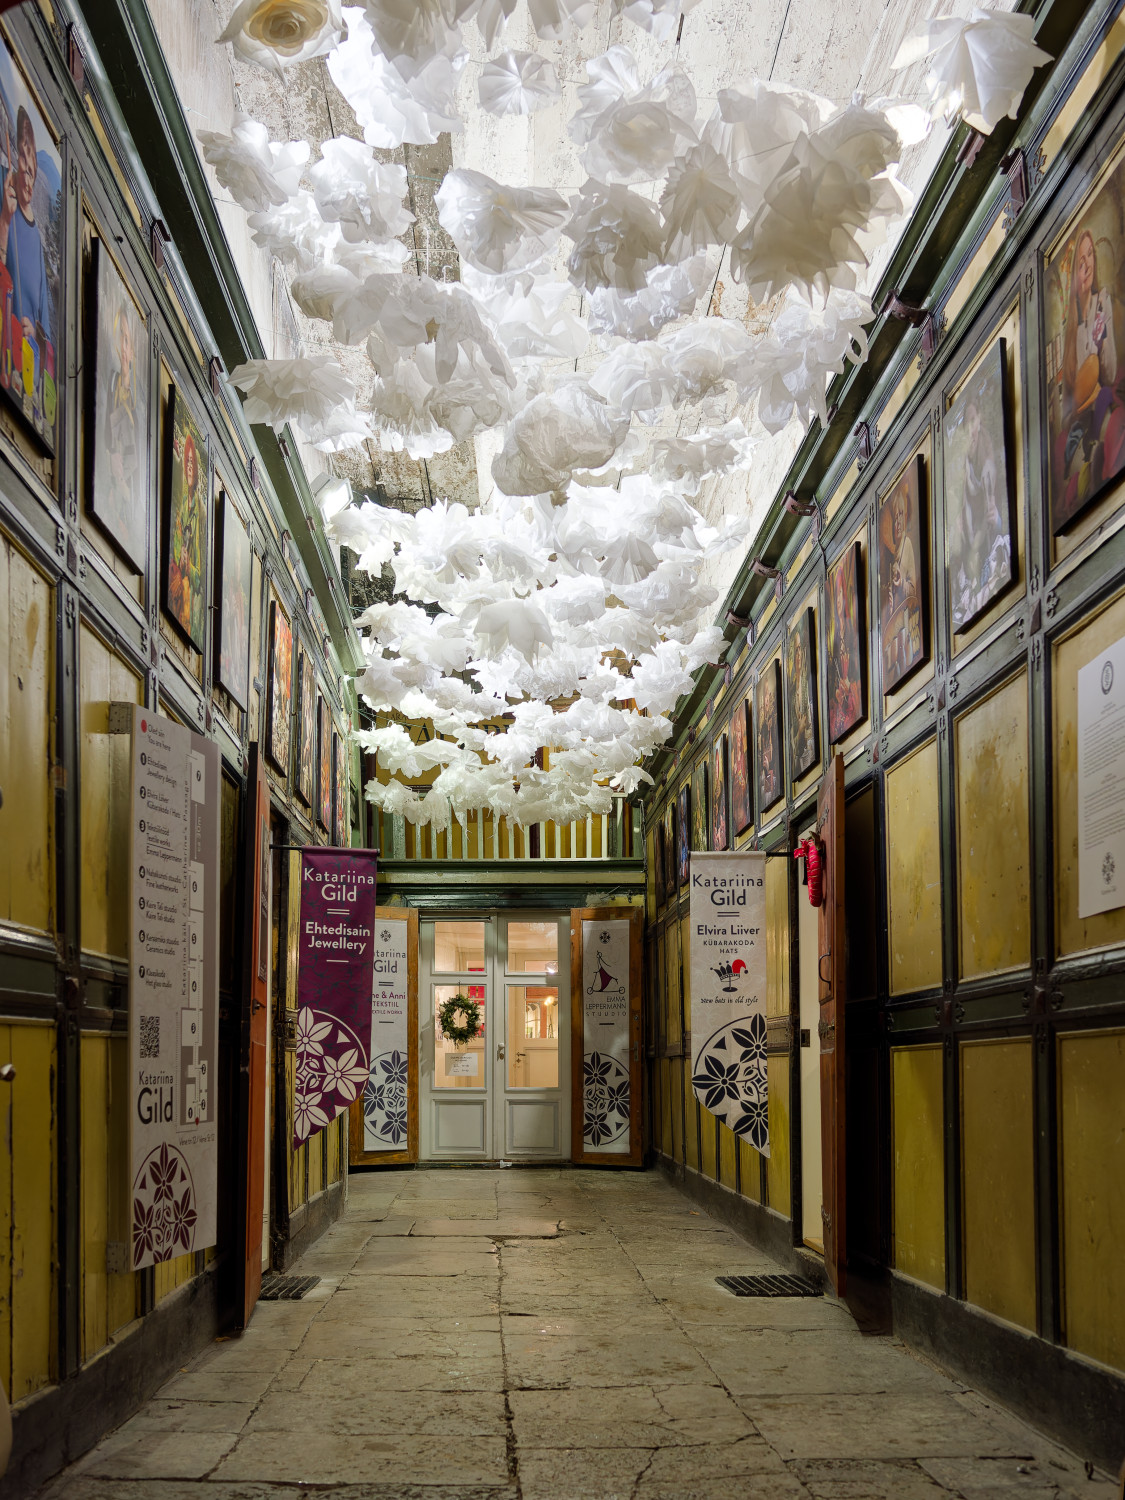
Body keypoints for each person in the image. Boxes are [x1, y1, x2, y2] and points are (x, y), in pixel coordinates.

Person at [1055, 226, 1125, 524]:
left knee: (1106, 400)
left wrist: (1103, 339)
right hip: (1079, 411)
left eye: (1090, 256)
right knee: (1069, 447)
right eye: (1081, 262)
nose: (1087, 265)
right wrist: (1083, 323)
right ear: (1074, 275)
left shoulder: (1102, 301)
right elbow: (1069, 396)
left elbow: (1108, 371)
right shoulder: (1070, 327)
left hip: (1101, 395)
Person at [0, 106, 53, 387]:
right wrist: (4, 221)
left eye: (33, 170)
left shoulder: (38, 245)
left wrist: (33, 334)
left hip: (21, 374)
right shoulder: (2, 186)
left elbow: (46, 336)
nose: (29, 178)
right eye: (23, 159)